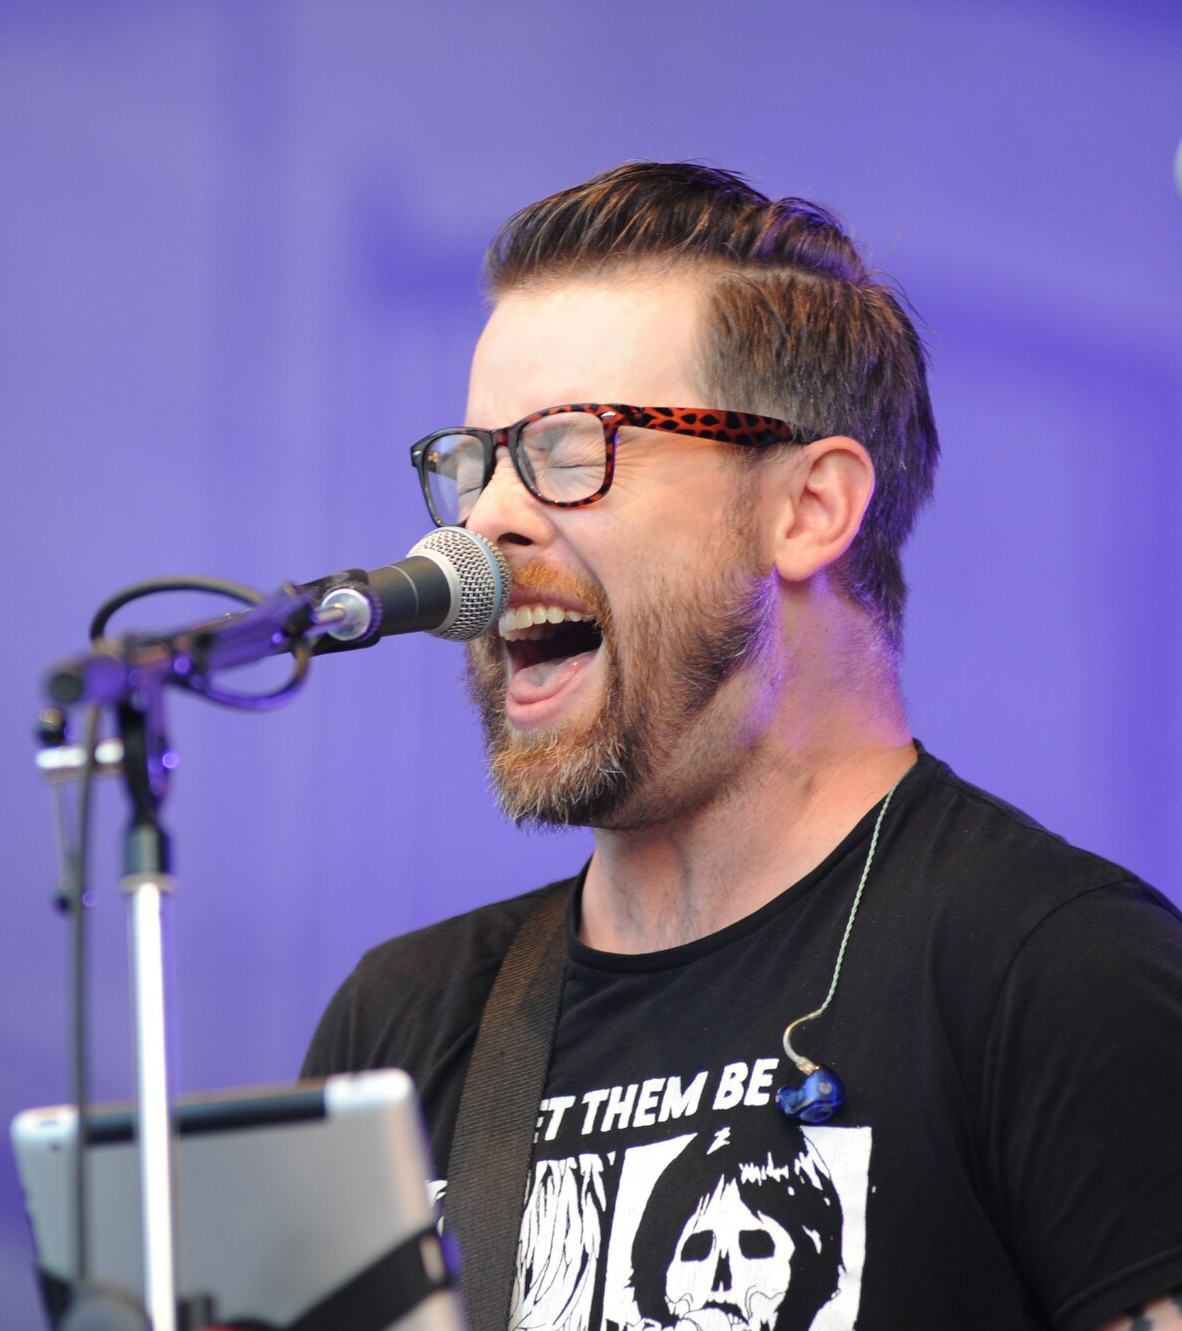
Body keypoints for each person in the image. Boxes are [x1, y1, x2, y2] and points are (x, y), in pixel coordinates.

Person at [301, 163, 1182, 1331]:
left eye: (570, 448)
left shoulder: (1049, 972)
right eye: (474, 461)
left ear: (809, 507)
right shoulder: (403, 1023)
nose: (484, 522)